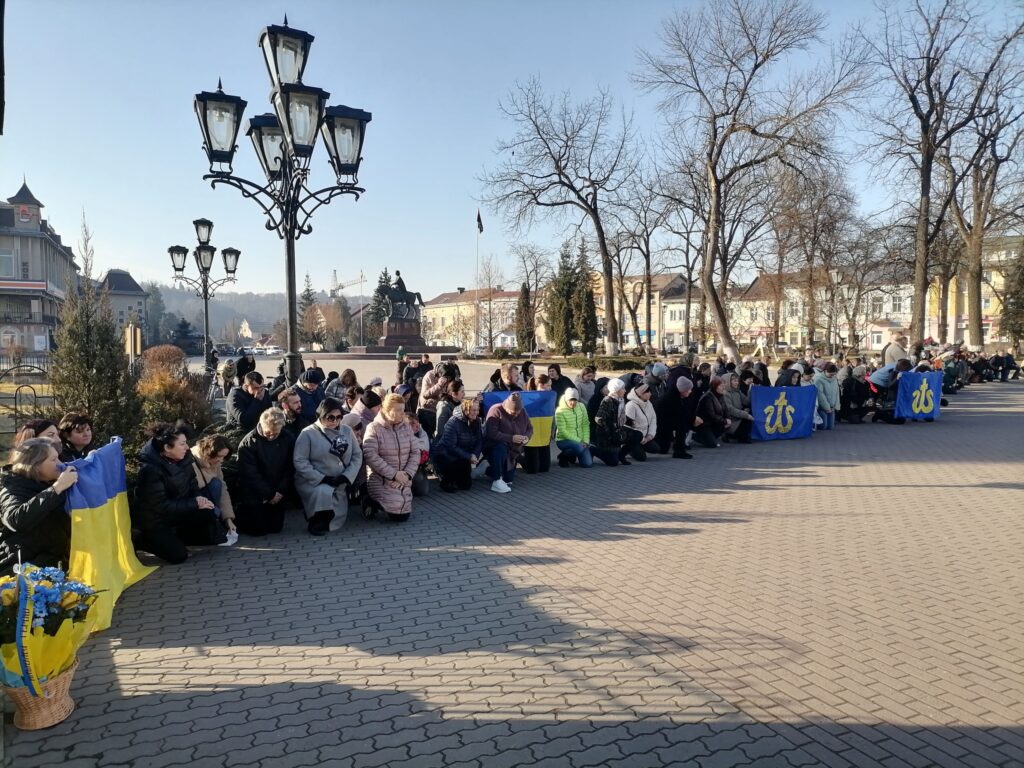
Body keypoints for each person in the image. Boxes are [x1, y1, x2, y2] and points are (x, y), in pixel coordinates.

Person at [133, 423, 226, 564]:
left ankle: (178, 538)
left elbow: (193, 485)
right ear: (167, 448)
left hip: (177, 512)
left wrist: (199, 499)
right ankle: (140, 540)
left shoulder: (185, 458)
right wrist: (193, 503)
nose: (187, 447)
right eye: (182, 444)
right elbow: (161, 506)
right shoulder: (150, 470)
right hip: (155, 520)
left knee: (208, 512)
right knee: (178, 556)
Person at [0, 438, 79, 575]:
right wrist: (57, 488)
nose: (60, 464)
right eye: (54, 460)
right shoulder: (12, 487)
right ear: (35, 465)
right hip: (19, 569)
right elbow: (17, 519)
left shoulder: (45, 483)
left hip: (48, 565)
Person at [293, 398, 362, 536]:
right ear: (321, 416)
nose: (335, 421)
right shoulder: (308, 433)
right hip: (315, 480)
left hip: (340, 479)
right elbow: (300, 461)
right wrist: (321, 478)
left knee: (334, 502)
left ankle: (328, 518)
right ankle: (316, 520)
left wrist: (347, 476)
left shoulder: (347, 431)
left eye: (339, 417)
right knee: (322, 492)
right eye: (330, 417)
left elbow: (357, 455)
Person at [235, 408, 294, 536]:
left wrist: (280, 491)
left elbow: (290, 467)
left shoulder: (287, 438)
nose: (271, 436)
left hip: (278, 489)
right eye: (268, 433)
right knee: (258, 530)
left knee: (276, 528)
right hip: (257, 493)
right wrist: (269, 494)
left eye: (275, 433)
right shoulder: (248, 444)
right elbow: (250, 474)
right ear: (261, 425)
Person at [362, 394, 420, 521]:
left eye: (403, 410)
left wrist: (407, 474)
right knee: (397, 515)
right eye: (398, 410)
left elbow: (415, 452)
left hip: (403, 477)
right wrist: (394, 474)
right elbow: (370, 455)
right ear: (387, 410)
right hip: (382, 478)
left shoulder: (406, 428)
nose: (402, 413)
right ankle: (370, 501)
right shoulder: (374, 428)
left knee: (403, 515)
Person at [190, 435, 237, 540]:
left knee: (217, 484)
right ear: (209, 453)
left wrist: (228, 518)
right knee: (215, 507)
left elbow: (223, 490)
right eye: (219, 456)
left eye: (224, 457)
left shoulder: (215, 463)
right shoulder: (191, 460)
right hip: (194, 501)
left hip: (208, 499)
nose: (221, 460)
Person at [483, 392, 533, 493]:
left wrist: (526, 438)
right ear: (506, 407)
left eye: (518, 412)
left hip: (514, 450)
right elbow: (492, 434)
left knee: (508, 479)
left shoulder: (522, 411)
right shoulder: (495, 410)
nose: (516, 414)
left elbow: (530, 428)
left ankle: (486, 468)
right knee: (500, 447)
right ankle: (496, 480)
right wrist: (511, 438)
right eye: (513, 412)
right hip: (495, 446)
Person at [432, 397, 483, 491]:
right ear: (466, 410)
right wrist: (469, 456)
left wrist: (474, 455)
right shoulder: (453, 422)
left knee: (466, 486)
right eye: (473, 410)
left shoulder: (477, 421)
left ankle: (456, 478)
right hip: (446, 455)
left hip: (463, 455)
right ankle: (445, 480)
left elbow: (479, 440)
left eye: (478, 409)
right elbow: (450, 446)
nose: (476, 413)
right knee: (452, 475)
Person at [593, 379, 635, 466]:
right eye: (622, 388)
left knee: (637, 435)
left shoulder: (620, 400)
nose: (625, 390)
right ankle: (593, 450)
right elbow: (599, 418)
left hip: (617, 430)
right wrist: (609, 431)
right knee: (613, 462)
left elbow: (619, 416)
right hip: (607, 436)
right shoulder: (607, 401)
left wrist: (630, 421)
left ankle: (621, 455)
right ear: (616, 390)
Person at [554, 388, 593, 468]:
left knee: (587, 464)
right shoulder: (559, 411)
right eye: (570, 400)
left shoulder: (581, 406)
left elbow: (585, 424)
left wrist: (585, 440)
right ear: (566, 399)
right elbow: (562, 431)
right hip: (563, 440)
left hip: (581, 441)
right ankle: (563, 456)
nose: (573, 402)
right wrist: (579, 441)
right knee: (579, 447)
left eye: (575, 400)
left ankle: (573, 455)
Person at [624, 383, 659, 459]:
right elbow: (627, 427)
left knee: (656, 449)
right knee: (642, 458)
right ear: (641, 394)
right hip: (634, 438)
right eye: (648, 392)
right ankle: (626, 448)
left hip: (645, 436)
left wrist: (650, 435)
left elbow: (653, 420)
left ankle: (639, 447)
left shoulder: (648, 403)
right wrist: (642, 439)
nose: (650, 393)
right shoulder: (631, 406)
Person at [694, 376, 731, 448]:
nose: (723, 387)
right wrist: (724, 421)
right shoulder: (707, 397)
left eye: (724, 385)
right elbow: (711, 415)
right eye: (721, 386)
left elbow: (725, 409)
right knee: (712, 445)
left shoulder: (720, 395)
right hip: (704, 424)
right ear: (715, 386)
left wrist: (728, 419)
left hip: (713, 423)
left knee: (727, 424)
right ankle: (695, 436)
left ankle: (710, 437)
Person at [722, 373, 753, 443]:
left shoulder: (738, 391)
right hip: (731, 420)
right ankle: (729, 434)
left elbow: (747, 402)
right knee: (747, 419)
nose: (737, 383)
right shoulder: (725, 393)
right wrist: (745, 414)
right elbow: (730, 410)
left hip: (738, 417)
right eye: (734, 381)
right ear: (728, 382)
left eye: (737, 381)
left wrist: (750, 391)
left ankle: (736, 435)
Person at [407, 414, 432, 497]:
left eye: (417, 423)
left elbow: (425, 447)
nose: (417, 426)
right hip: (407, 468)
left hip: (420, 466)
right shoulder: (403, 436)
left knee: (423, 491)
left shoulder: (422, 433)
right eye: (412, 424)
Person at [814, 363, 841, 431]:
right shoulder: (819, 380)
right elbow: (820, 395)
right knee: (824, 427)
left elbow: (837, 393)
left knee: (830, 427)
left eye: (834, 374)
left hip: (832, 407)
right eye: (831, 374)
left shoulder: (834, 379)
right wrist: (827, 407)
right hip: (822, 407)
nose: (832, 376)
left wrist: (836, 405)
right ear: (825, 371)